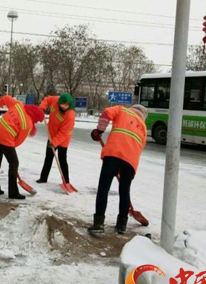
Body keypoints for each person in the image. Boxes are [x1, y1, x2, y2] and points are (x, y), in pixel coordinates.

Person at [88, 104, 148, 234]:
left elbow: (106, 113)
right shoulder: (143, 127)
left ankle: (98, 224)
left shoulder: (122, 110)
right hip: (131, 162)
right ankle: (121, 225)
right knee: (125, 192)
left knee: (104, 188)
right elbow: (140, 147)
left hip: (113, 154)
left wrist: (99, 131)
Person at [0, 95, 45, 199]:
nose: (36, 123)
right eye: (37, 121)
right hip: (6, 139)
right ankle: (13, 193)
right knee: (14, 163)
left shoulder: (18, 105)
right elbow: (18, 141)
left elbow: (6, 98)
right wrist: (9, 148)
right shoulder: (28, 124)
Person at [37, 93, 76, 184]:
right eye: (62, 106)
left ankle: (66, 182)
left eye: (66, 106)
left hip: (63, 138)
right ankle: (43, 178)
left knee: (62, 159)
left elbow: (63, 133)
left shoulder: (70, 115)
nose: (64, 108)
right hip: (52, 135)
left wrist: (54, 143)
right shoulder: (55, 100)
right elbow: (47, 99)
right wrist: (42, 108)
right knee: (48, 157)